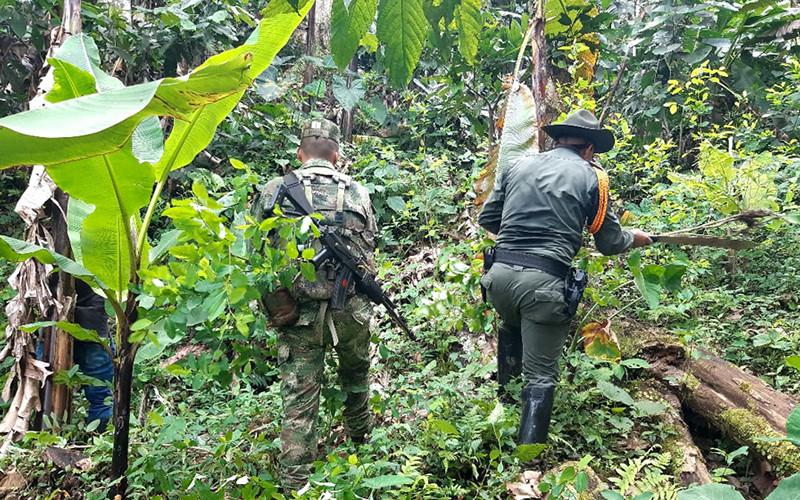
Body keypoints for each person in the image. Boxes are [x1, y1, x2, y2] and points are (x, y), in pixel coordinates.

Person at [477, 109, 653, 446]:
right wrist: (636, 238)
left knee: (511, 326)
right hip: (544, 285)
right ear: (589, 149)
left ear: (556, 140)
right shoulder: (593, 177)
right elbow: (609, 242)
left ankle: (503, 416)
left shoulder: (518, 165)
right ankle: (527, 467)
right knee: (541, 376)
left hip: (497, 279)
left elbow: (489, 218)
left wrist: (520, 238)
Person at [254, 118, 378, 490]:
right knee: (356, 377)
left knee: (299, 401)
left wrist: (275, 305)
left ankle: (295, 484)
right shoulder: (357, 192)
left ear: (299, 153)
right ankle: (364, 454)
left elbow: (256, 259)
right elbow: (369, 250)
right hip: (350, 309)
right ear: (337, 155)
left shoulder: (273, 190)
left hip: (297, 312)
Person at [40, 276, 114, 432]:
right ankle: (98, 440)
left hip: (52, 332)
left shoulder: (43, 256)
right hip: (91, 331)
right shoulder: (98, 257)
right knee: (102, 397)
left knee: (44, 388)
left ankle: (45, 435)